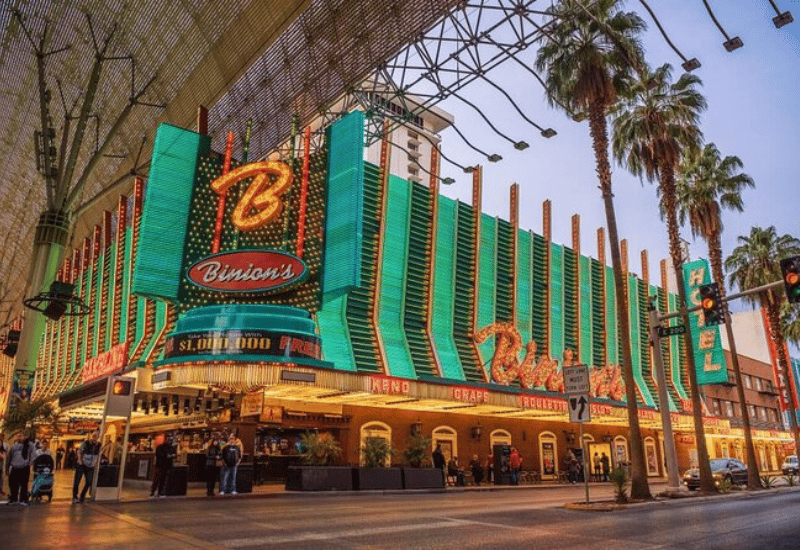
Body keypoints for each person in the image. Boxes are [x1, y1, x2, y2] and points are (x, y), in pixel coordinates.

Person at [6, 432, 35, 505]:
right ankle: (13, 499)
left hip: (24, 467)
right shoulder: (13, 447)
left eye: (20, 436)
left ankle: (23, 499)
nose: (19, 437)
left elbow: (33, 455)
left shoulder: (29, 445)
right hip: (15, 467)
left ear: (24, 436)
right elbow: (9, 458)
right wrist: (7, 469)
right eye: (17, 436)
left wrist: (30, 464)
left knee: (24, 485)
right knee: (13, 484)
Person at [73, 431, 100, 503]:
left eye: (96, 436)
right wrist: (80, 460)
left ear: (98, 437)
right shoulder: (86, 443)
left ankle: (82, 496)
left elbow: (99, 454)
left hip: (91, 465)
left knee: (89, 481)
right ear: (92, 436)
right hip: (82, 464)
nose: (94, 437)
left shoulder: (99, 445)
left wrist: (96, 463)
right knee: (77, 481)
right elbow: (79, 451)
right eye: (93, 435)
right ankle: (75, 497)